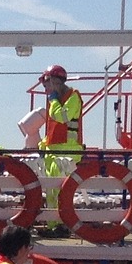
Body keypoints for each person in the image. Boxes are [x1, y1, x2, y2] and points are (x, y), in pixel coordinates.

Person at [37, 64, 84, 221]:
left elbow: (62, 118)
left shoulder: (73, 97)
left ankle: (61, 223)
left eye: (46, 86)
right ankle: (54, 224)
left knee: (60, 190)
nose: (46, 90)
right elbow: (54, 129)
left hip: (67, 152)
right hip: (54, 151)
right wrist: (44, 144)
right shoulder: (57, 99)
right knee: (51, 190)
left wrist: (54, 101)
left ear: (55, 81)